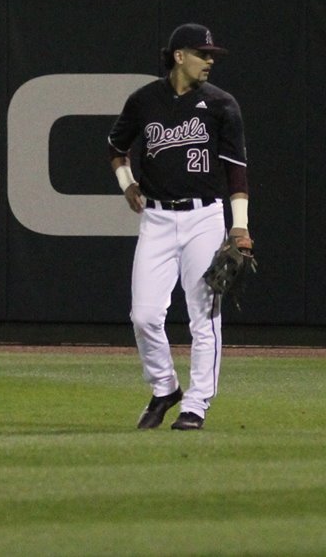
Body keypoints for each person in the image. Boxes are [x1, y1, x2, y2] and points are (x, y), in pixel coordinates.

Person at [106, 22, 252, 431]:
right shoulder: (144, 101)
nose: (209, 61)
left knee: (203, 316)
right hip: (156, 217)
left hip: (204, 217)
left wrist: (239, 228)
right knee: (145, 316)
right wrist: (127, 183)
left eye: (212, 56)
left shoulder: (223, 105)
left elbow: (237, 174)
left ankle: (197, 404)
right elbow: (116, 148)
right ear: (178, 56)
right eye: (203, 54)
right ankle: (164, 387)